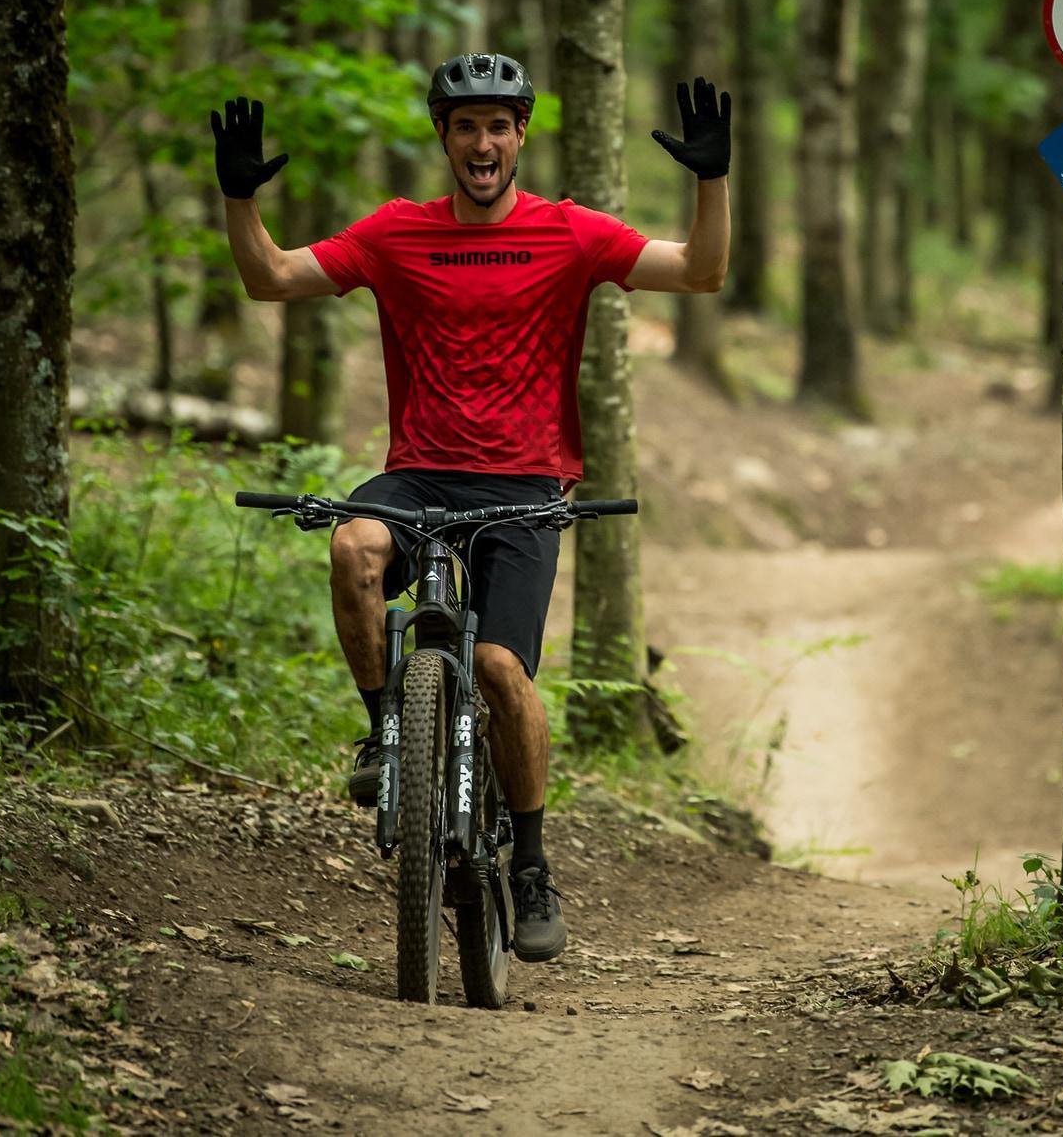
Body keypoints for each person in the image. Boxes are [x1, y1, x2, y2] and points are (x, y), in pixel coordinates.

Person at [209, 53, 731, 963]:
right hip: (418, 475)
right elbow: (270, 280)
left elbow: (699, 273)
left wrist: (714, 182)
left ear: (521, 134)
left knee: (496, 666)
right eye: (464, 126)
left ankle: (530, 862)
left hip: (527, 485)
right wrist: (238, 200)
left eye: (498, 125)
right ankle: (386, 733)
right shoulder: (396, 233)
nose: (482, 143)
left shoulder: (569, 233)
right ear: (444, 139)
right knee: (352, 552)